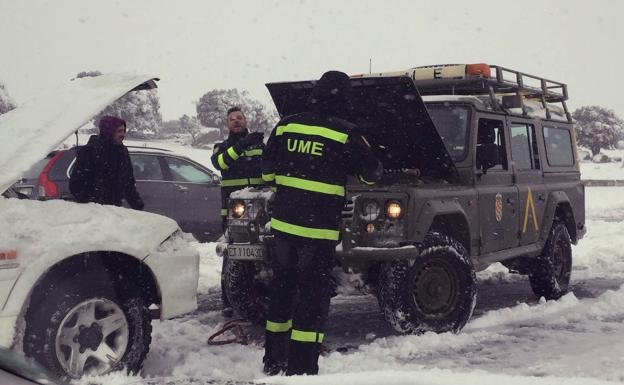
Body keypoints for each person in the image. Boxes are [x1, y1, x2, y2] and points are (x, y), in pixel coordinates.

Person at [261, 71, 383, 376]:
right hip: (318, 232)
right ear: (344, 98)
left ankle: (274, 361)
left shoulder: (287, 124)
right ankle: (301, 370)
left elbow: (266, 172)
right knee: (312, 300)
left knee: (282, 293)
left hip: (284, 229)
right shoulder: (345, 133)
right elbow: (371, 174)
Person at [210, 106, 265, 316]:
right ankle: (228, 299)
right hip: (235, 212)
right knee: (232, 255)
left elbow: (271, 168)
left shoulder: (260, 144)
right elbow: (219, 163)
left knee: (264, 253)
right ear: (227, 124)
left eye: (239, 118)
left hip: (262, 209)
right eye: (232, 119)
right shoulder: (221, 146)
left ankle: (259, 293)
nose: (236, 121)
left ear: (245, 120)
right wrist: (241, 145)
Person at [70, 115, 144, 210]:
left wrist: (138, 206)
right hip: (93, 211)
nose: (123, 134)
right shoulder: (89, 151)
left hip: (114, 210)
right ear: (109, 131)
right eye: (119, 131)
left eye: (124, 131)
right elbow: (76, 184)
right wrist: (93, 203)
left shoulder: (122, 152)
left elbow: (128, 183)